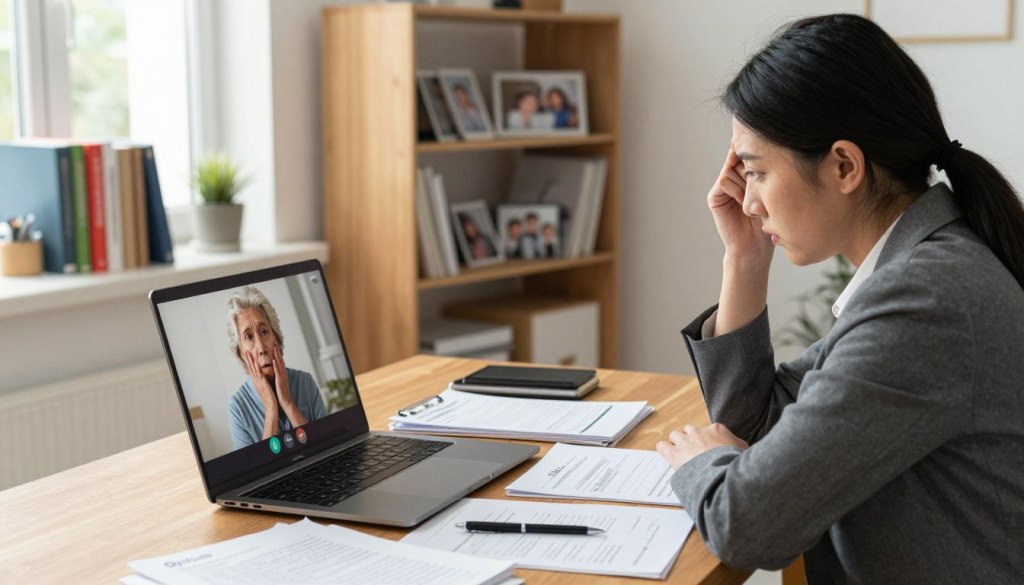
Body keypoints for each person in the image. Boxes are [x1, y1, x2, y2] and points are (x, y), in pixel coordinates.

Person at [654, 14, 1024, 584]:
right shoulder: (923, 264)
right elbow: (761, 425)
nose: (747, 201)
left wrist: (698, 461)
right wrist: (746, 260)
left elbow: (749, 524)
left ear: (844, 166)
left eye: (754, 172)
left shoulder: (925, 302)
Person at [227, 286, 328, 450]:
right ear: (241, 354)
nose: (261, 348)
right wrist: (271, 409)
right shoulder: (237, 407)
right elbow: (257, 473)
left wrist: (287, 403)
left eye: (264, 331)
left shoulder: (305, 382)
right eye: (249, 337)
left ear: (277, 340)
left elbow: (327, 447)